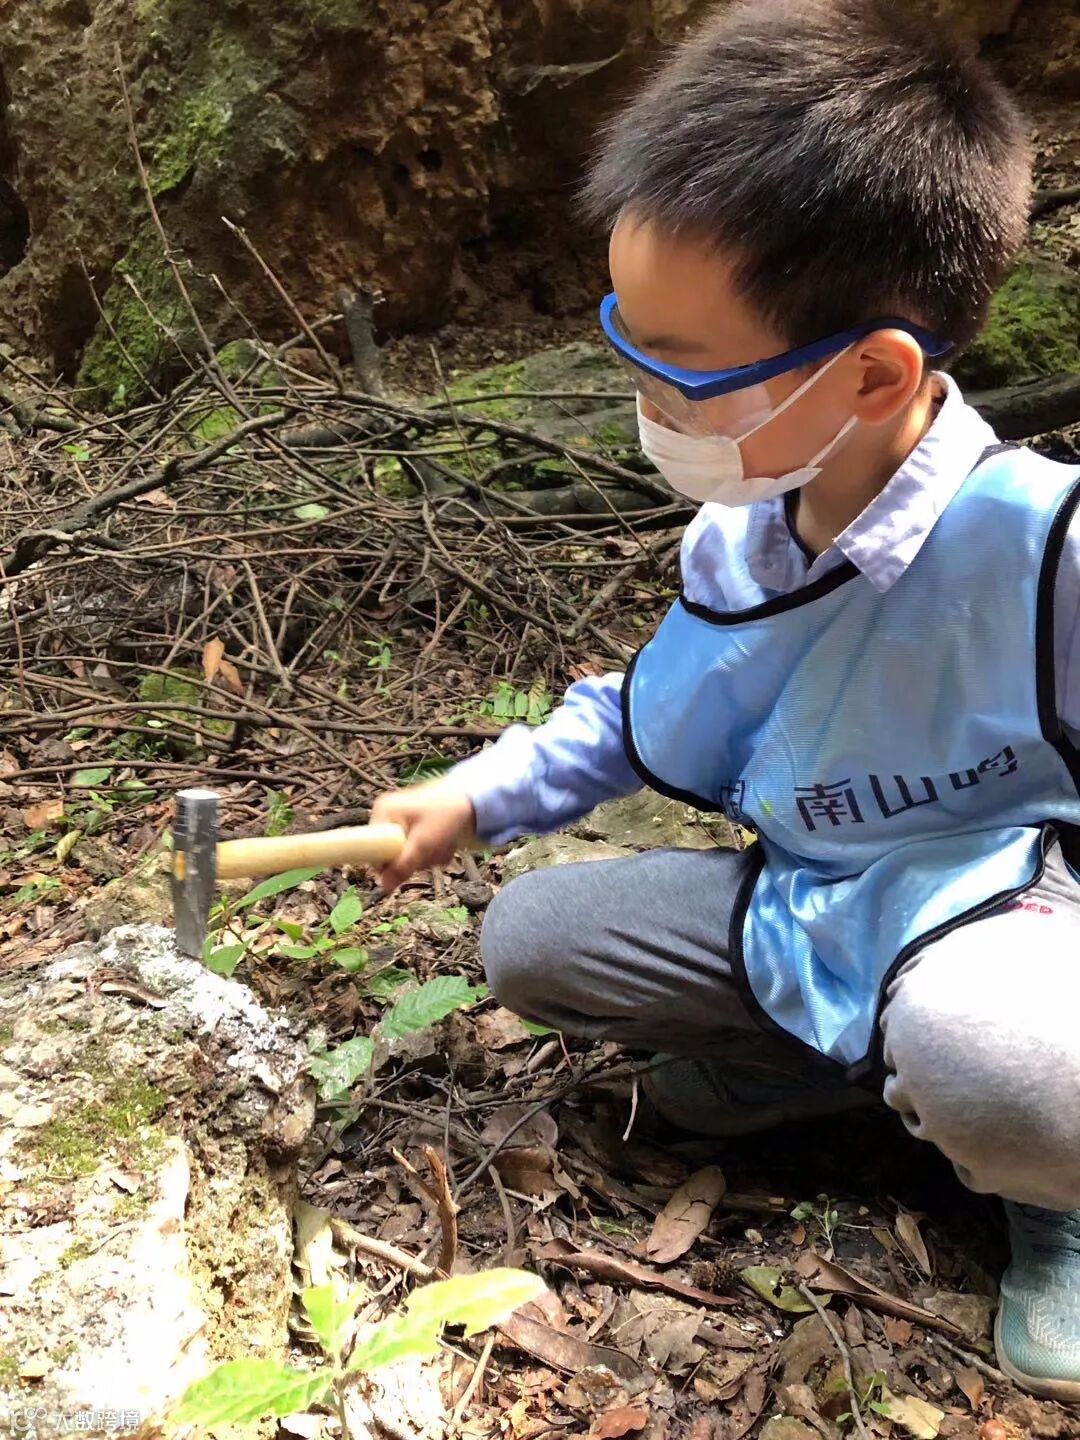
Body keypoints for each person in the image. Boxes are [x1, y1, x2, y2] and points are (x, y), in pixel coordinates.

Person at [370, 0, 1080, 1401]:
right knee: (536, 939)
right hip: (831, 902)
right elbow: (649, 705)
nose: (648, 400)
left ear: (872, 372)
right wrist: (477, 795)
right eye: (629, 345)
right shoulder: (751, 524)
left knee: (994, 1049)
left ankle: (1054, 1194)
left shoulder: (1045, 548)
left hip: (1019, 916)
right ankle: (839, 1072)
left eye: (685, 369)